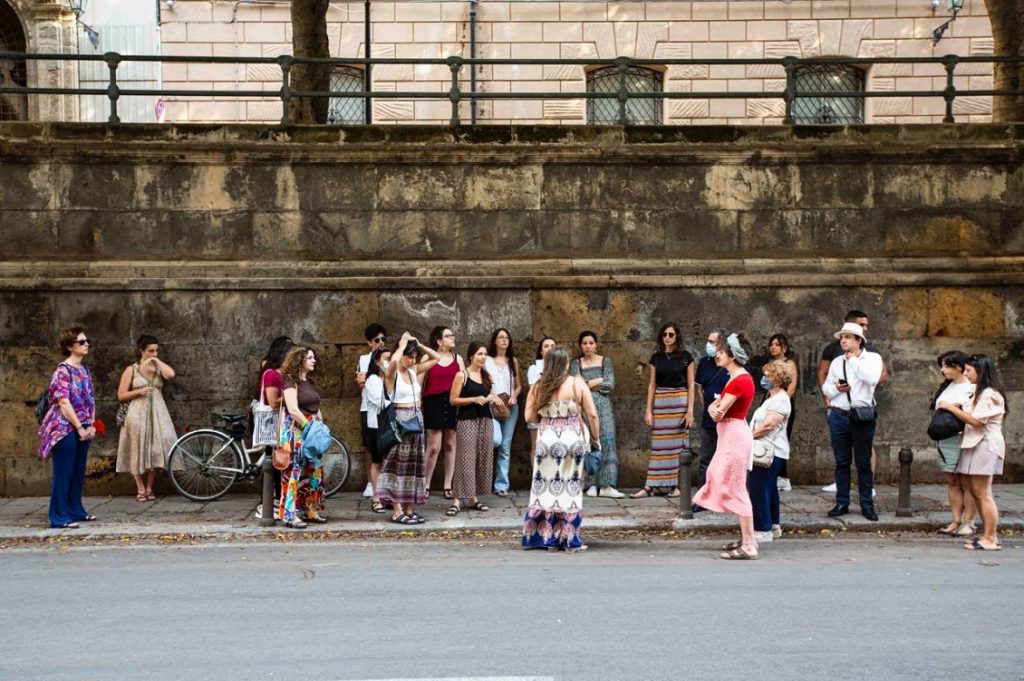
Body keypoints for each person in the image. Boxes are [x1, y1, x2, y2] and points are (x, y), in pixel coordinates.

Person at [522, 346, 599, 553]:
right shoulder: (576, 383)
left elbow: (529, 417)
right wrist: (596, 439)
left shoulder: (539, 386)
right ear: (565, 364)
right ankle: (568, 539)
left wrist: (547, 416)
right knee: (570, 487)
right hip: (572, 439)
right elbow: (592, 415)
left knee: (544, 487)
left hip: (546, 439)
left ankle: (544, 536)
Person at [692, 332, 758, 559]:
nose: (717, 355)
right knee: (728, 481)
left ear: (731, 355)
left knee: (738, 488)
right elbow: (715, 408)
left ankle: (749, 544)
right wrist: (715, 408)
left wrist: (714, 407)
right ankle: (746, 538)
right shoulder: (738, 378)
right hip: (731, 435)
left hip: (733, 436)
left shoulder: (739, 380)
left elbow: (717, 412)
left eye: (721, 351)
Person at [937, 354, 1007, 552]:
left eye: (969, 370)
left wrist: (951, 407)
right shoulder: (978, 392)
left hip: (984, 445)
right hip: (974, 444)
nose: (966, 374)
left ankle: (990, 537)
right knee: (976, 492)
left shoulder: (990, 394)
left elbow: (976, 421)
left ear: (981, 371)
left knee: (983, 494)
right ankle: (987, 535)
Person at [817, 310, 888, 495]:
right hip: (839, 414)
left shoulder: (872, 358)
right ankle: (842, 501)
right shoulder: (836, 361)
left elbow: (872, 378)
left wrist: (853, 360)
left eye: (848, 337)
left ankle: (867, 500)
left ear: (858, 340)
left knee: (863, 461)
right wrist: (836, 390)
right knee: (842, 461)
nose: (843, 341)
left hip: (862, 414)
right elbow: (827, 386)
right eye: (842, 337)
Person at [38, 324, 98, 529]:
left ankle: (75, 510)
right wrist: (79, 427)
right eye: (82, 342)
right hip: (63, 427)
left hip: (82, 425)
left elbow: (89, 398)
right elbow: (63, 402)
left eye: (87, 340)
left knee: (77, 471)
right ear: (70, 346)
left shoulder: (84, 370)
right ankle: (58, 516)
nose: (86, 344)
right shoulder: (62, 371)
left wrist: (91, 424)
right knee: (63, 472)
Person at [378, 333, 438, 525]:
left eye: (414, 357)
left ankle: (409, 508)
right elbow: (393, 362)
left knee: (414, 466)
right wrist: (402, 345)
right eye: (409, 356)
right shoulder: (393, 373)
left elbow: (437, 358)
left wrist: (420, 345)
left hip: (416, 420)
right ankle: (396, 510)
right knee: (398, 466)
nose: (412, 360)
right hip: (401, 422)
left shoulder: (414, 371)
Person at [632, 322, 694, 499]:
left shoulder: (686, 357)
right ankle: (650, 486)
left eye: (671, 334)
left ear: (677, 337)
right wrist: (648, 411)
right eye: (664, 334)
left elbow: (691, 384)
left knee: (678, 446)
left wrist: (690, 411)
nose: (667, 337)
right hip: (661, 401)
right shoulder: (656, 358)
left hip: (680, 401)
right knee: (658, 446)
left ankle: (676, 486)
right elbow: (652, 385)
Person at [115, 335, 177, 502]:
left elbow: (170, 375)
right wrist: (139, 392)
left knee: (156, 449)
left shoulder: (158, 368)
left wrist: (157, 361)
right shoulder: (132, 370)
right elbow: (121, 394)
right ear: (141, 350)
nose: (154, 353)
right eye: (150, 351)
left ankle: (150, 487)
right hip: (137, 412)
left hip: (158, 411)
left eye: (156, 350)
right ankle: (140, 488)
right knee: (136, 448)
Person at [570, 331, 624, 498]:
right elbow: (575, 387)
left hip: (604, 408)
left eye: (591, 343)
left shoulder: (605, 361)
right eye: (584, 343)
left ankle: (607, 484)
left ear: (596, 344)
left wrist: (588, 384)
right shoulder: (576, 363)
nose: (588, 346)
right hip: (585, 408)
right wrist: (596, 381)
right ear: (581, 345)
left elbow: (609, 384)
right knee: (589, 443)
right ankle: (591, 484)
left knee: (607, 441)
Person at [277, 346, 326, 528]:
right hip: (296, 431)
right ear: (300, 361)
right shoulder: (290, 382)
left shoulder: (309, 382)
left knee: (314, 470)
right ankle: (289, 513)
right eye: (310, 358)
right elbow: (293, 409)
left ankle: (310, 508)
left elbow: (315, 405)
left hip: (312, 430)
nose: (314, 361)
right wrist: (308, 426)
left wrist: (319, 423)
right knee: (294, 471)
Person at [931, 351, 978, 537]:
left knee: (967, 481)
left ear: (959, 367)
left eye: (947, 366)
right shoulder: (948, 386)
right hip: (945, 438)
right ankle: (956, 519)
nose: (943, 370)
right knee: (952, 480)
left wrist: (951, 407)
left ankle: (969, 521)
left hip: (963, 437)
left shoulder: (971, 388)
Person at [447, 341, 496, 516]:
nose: (483, 357)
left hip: (485, 419)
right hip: (467, 420)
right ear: (471, 356)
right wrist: (473, 399)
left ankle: (473, 497)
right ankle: (457, 499)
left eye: (485, 354)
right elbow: (453, 400)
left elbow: (493, 395)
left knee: (482, 457)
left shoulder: (487, 376)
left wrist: (491, 397)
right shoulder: (462, 375)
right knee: (465, 458)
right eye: (479, 354)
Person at [747, 360, 793, 543]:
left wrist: (748, 436)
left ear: (778, 379)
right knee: (769, 489)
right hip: (773, 451)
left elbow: (768, 425)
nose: (764, 378)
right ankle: (773, 525)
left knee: (758, 489)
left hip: (769, 452)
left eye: (768, 375)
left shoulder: (781, 399)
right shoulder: (773, 398)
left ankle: (762, 528)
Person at [422, 325, 464, 500]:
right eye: (448, 336)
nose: (452, 338)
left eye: (452, 335)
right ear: (439, 341)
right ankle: (424, 484)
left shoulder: (458, 358)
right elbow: (419, 382)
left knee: (450, 444)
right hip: (433, 402)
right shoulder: (428, 356)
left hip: (452, 402)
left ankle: (448, 484)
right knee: (433, 446)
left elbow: (464, 381)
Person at [254, 336, 293, 521]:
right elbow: (272, 402)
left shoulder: (281, 373)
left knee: (278, 463)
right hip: (271, 422)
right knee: (273, 462)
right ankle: (266, 504)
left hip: (278, 421)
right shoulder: (271, 374)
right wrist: (291, 397)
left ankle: (276, 501)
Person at [693, 327, 730, 507]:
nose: (708, 345)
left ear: (722, 344)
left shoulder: (734, 364)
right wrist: (708, 408)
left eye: (712, 341)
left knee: (728, 459)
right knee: (706, 459)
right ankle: (704, 498)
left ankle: (726, 496)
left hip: (729, 420)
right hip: (709, 419)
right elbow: (700, 388)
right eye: (708, 341)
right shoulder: (704, 363)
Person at [486, 328, 521, 497]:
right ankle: (483, 481)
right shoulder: (486, 360)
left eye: (507, 337)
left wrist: (514, 396)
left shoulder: (512, 361)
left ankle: (501, 485)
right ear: (494, 341)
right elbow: (481, 382)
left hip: (510, 408)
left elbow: (519, 385)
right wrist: (492, 396)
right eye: (500, 337)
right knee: (494, 441)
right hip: (491, 406)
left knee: (505, 446)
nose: (504, 340)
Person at [356, 323, 388, 499]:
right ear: (369, 342)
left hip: (386, 408)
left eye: (384, 339)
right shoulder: (363, 359)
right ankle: (370, 482)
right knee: (370, 447)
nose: (381, 343)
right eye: (377, 340)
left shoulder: (388, 357)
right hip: (368, 407)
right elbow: (361, 382)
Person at [766, 333, 798, 492]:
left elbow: (791, 388)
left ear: (784, 347)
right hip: (769, 402)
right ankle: (773, 475)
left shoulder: (789, 363)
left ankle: (784, 478)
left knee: (781, 439)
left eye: (776, 344)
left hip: (783, 405)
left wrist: (780, 403)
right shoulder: (770, 363)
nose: (773, 347)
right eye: (771, 344)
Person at [364, 347, 392, 514]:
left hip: (390, 425)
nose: (389, 362)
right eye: (386, 358)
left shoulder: (393, 378)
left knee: (389, 462)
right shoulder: (373, 380)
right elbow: (380, 401)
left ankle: (386, 495)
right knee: (377, 461)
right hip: (376, 425)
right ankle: (376, 497)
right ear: (377, 361)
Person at [527, 337, 556, 455]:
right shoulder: (534, 368)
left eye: (553, 346)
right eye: (546, 346)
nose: (550, 348)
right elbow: (534, 391)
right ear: (541, 351)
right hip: (538, 410)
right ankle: (535, 473)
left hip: (555, 411)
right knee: (536, 446)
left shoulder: (561, 369)